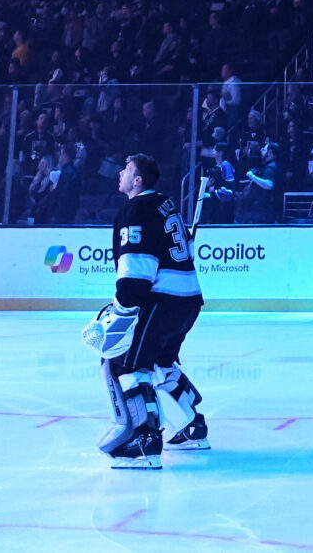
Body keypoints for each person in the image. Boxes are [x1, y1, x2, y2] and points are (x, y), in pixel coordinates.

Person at [100, 153, 207, 469]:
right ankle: (193, 425)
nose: (121, 173)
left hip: (161, 301)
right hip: (189, 300)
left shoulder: (137, 209)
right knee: (162, 363)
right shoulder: (165, 204)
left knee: (127, 365)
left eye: (127, 169)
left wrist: (122, 308)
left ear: (138, 180)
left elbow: (137, 272)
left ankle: (145, 442)